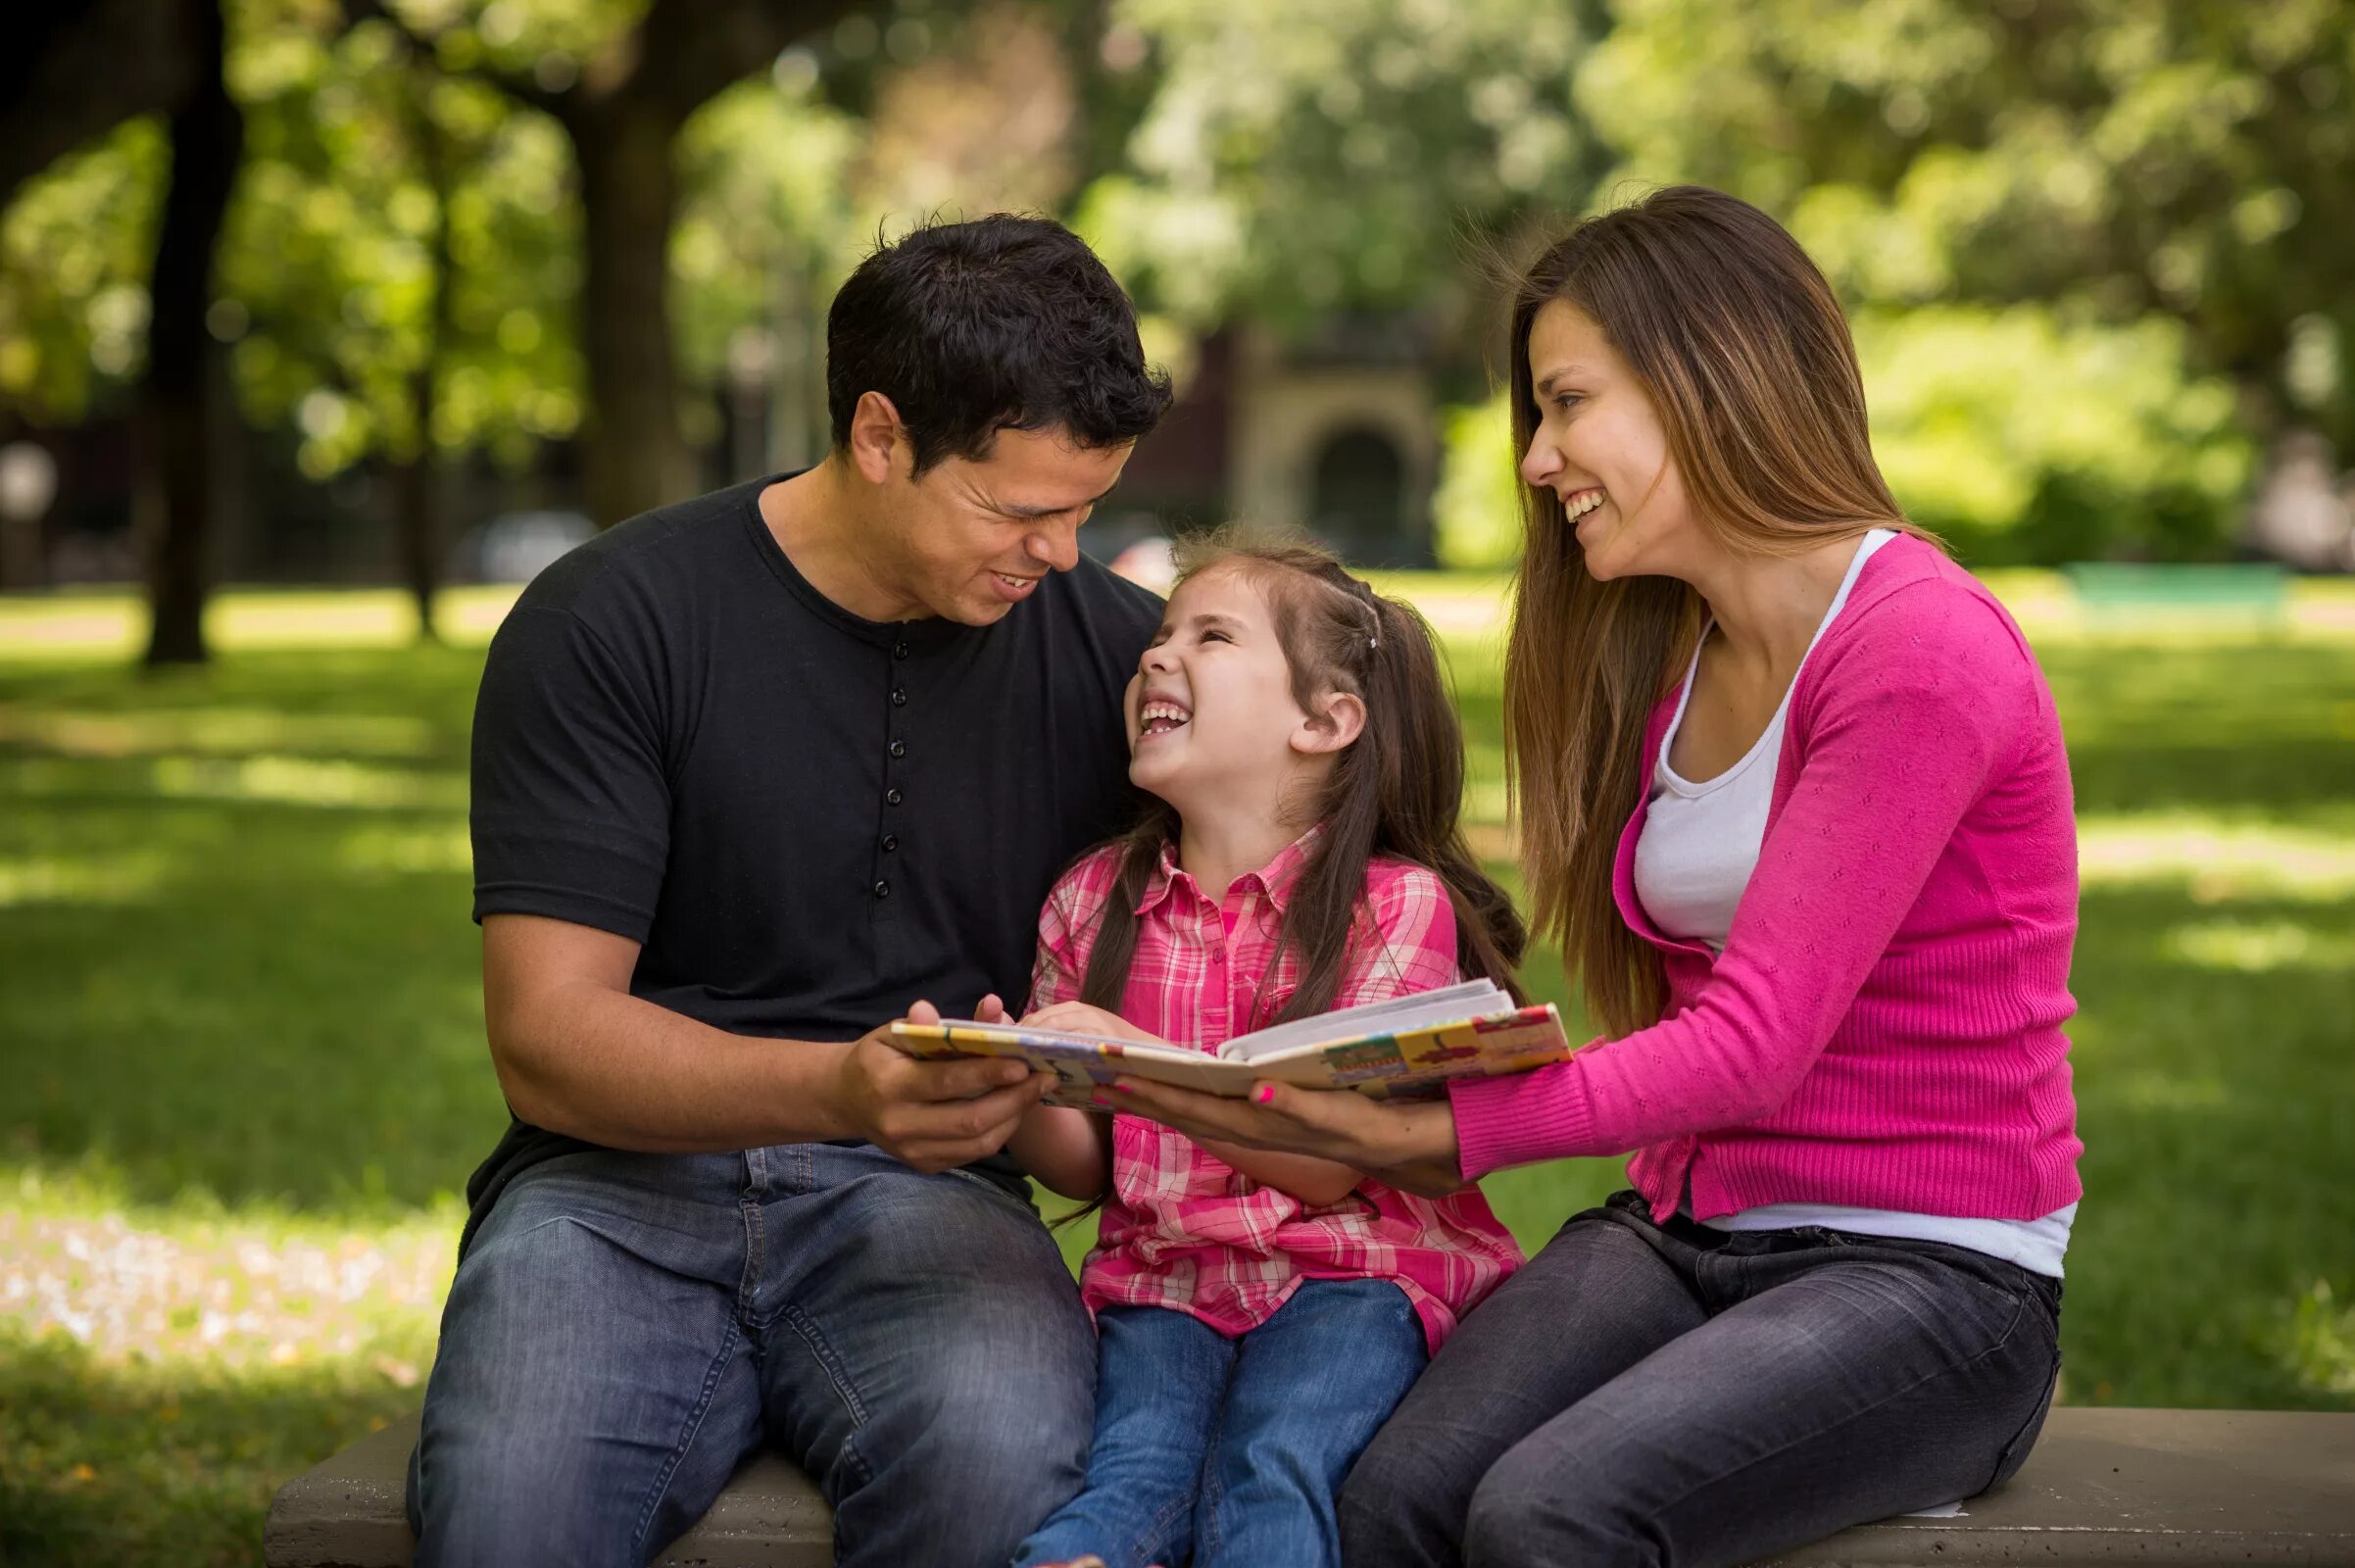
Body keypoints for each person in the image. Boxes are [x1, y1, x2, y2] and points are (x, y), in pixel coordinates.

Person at [1101, 186, 2084, 1567]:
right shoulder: (1666, 658)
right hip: (1687, 1228)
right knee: (1389, 1495)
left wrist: (1429, 1137)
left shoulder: (1916, 649)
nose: (1535, 459)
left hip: (1928, 1275)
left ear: (1707, 374)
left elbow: (1748, 1047)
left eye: (1566, 404)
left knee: (1549, 1512)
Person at [406, 214, 1173, 1568]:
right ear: (878, 437)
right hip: (607, 1196)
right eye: (1018, 509)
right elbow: (547, 1043)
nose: (1059, 555)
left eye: (1086, 510)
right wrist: (837, 1088)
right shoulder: (612, 621)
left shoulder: (1123, 663)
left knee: (1000, 1489)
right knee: (509, 1516)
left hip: (937, 1200)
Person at [1001, 542, 1527, 1568]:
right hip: (1163, 1283)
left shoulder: (1390, 906)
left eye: (1211, 635)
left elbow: (1329, 1160)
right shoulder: (1092, 899)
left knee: (1271, 1469)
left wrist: (1132, 1057)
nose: (1158, 658)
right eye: (1158, 636)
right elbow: (1083, 1162)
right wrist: (1017, 1079)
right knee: (1127, 1488)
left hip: (1354, 1280)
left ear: (1324, 723)